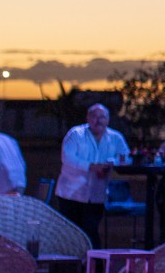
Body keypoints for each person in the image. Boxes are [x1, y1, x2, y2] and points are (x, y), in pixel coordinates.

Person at [55, 104, 130, 248]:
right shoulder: (76, 134)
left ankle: (93, 261)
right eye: (94, 116)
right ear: (88, 118)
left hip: (96, 194)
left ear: (108, 119)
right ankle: (72, 261)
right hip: (71, 193)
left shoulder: (115, 137)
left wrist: (109, 164)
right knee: (71, 234)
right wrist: (91, 167)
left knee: (91, 231)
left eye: (102, 117)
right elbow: (67, 158)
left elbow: (125, 157)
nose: (98, 120)